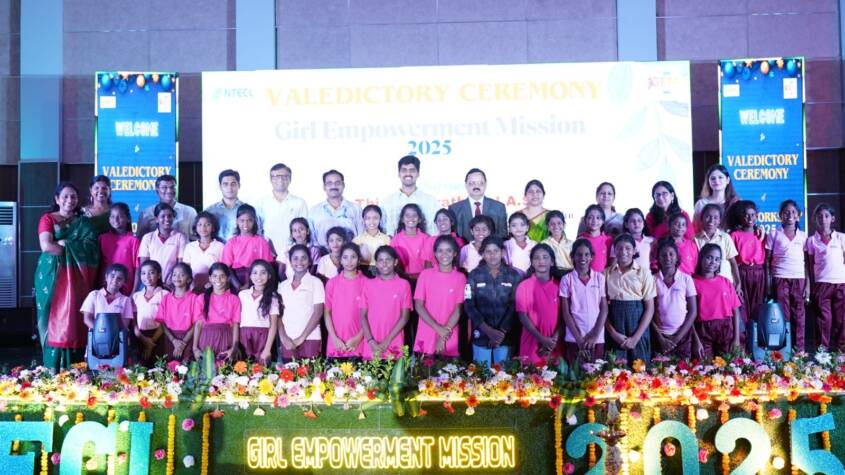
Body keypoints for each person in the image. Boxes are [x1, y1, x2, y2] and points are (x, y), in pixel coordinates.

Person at [35, 182, 100, 369]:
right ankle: (52, 367)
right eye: (65, 196)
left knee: (73, 317)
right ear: (57, 199)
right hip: (51, 274)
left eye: (73, 196)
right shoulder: (47, 219)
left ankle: (75, 367)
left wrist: (66, 244)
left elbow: (92, 248)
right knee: (49, 316)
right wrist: (67, 248)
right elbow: (46, 246)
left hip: (76, 277)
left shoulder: (83, 223)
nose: (69, 200)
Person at [465, 236, 522, 365]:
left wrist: (501, 332)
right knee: (481, 373)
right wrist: (488, 331)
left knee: (503, 374)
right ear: (482, 254)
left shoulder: (513, 275)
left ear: (502, 252)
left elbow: (514, 305)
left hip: (504, 336)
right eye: (488, 251)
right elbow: (469, 305)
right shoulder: (474, 275)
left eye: (496, 251)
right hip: (481, 334)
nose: (492, 255)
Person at [604, 234, 657, 365]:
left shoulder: (644, 273)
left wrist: (636, 337)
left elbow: (650, 309)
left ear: (634, 251)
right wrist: (613, 333)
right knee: (615, 370)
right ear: (614, 250)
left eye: (628, 248)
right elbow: (602, 308)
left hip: (638, 326)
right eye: (619, 248)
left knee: (640, 368)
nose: (623, 252)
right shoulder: (606, 273)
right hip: (615, 325)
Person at [765, 200, 809, 352]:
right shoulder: (774, 234)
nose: (790, 215)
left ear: (798, 215)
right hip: (780, 278)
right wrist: (769, 283)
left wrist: (808, 285)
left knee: (799, 316)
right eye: (786, 212)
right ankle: (784, 351)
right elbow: (767, 261)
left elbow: (807, 263)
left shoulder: (803, 236)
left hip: (799, 279)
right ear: (780, 215)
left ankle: (799, 352)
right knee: (783, 316)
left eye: (793, 212)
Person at [413, 235, 466, 357]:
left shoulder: (460, 278)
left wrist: (443, 336)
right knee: (424, 368)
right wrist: (438, 329)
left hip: (449, 333)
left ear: (455, 253)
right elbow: (419, 306)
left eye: (448, 250)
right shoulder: (425, 275)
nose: (444, 254)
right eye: (440, 251)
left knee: (449, 368)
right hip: (427, 332)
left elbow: (458, 309)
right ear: (435, 254)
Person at [560, 239, 608, 364]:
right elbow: (566, 312)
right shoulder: (566, 279)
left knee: (596, 372)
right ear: (572, 256)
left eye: (587, 254)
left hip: (596, 337)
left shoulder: (599, 278)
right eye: (579, 254)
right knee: (575, 372)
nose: (583, 258)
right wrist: (579, 339)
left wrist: (595, 335)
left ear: (592, 257)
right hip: (574, 337)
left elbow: (604, 309)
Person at [360, 246, 412, 360]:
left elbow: (405, 317)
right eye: (380, 260)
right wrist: (370, 341)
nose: (384, 263)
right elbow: (363, 316)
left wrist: (387, 341)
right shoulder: (368, 285)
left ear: (395, 262)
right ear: (376, 264)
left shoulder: (404, 285)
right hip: (371, 345)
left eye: (388, 259)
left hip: (394, 343)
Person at [806, 203, 845, 351]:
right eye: (820, 216)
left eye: (826, 216)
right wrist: (810, 287)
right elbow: (810, 266)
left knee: (841, 320)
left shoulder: (841, 238)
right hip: (821, 285)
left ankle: (841, 353)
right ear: (815, 219)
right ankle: (822, 354)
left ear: (832, 219)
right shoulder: (811, 241)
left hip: (840, 283)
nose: (823, 219)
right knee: (823, 320)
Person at [652, 239, 699, 359]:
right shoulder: (652, 279)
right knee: (660, 369)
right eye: (663, 255)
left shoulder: (686, 279)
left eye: (671, 254)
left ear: (677, 257)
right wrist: (660, 338)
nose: (667, 258)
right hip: (660, 336)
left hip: (683, 335)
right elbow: (649, 312)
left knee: (684, 369)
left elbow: (693, 311)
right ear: (658, 258)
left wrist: (677, 338)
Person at [693, 244, 742, 359]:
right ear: (701, 258)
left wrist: (736, 339)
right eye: (709, 257)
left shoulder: (726, 282)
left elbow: (735, 311)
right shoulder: (692, 282)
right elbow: (689, 315)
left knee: (728, 364)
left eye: (717, 259)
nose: (713, 262)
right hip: (703, 330)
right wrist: (696, 340)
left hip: (726, 328)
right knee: (705, 366)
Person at [277, 245, 325, 360]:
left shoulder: (316, 282)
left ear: (309, 261)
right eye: (295, 258)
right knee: (288, 371)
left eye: (304, 258)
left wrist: (301, 338)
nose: (299, 262)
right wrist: (283, 337)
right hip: (288, 339)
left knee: (311, 371)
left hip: (310, 337)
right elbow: (278, 314)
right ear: (290, 262)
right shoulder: (283, 286)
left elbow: (318, 312)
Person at [516, 244, 562, 364]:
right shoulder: (524, 286)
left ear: (552, 262)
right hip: (532, 343)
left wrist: (554, 339)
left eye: (545, 257)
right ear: (532, 262)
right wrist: (541, 339)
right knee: (531, 375)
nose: (541, 261)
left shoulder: (559, 286)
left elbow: (563, 316)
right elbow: (522, 316)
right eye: (536, 258)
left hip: (554, 344)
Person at [325, 243, 368, 358]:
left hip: (358, 343)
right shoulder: (332, 283)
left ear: (359, 260)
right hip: (336, 343)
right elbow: (327, 313)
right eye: (345, 257)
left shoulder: (367, 283)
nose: (349, 261)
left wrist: (358, 338)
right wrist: (334, 338)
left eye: (353, 257)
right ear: (340, 260)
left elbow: (371, 315)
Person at [192, 263, 241, 360]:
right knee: (207, 367)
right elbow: (198, 324)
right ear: (210, 278)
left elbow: (235, 324)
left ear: (227, 278)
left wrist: (234, 347)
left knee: (224, 367)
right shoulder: (201, 298)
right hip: (206, 337)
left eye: (222, 276)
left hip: (226, 337)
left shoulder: (234, 299)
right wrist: (195, 348)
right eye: (214, 276)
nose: (218, 279)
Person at [381, 155, 440, 235]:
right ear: (399, 174)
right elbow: (383, 230)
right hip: (394, 242)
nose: (408, 173)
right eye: (404, 170)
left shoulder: (431, 201)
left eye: (412, 170)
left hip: (424, 242)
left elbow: (434, 231)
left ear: (418, 174)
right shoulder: (387, 202)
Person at [256, 163, 308, 253]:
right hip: (267, 252)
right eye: (276, 176)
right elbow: (257, 230)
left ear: (290, 179)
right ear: (271, 179)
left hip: (293, 253)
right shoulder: (261, 203)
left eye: (284, 176)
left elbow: (305, 230)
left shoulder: (299, 203)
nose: (280, 180)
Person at [729, 200, 767, 321]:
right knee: (742, 304)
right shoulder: (734, 235)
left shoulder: (760, 233)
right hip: (742, 273)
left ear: (757, 215)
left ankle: (756, 330)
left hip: (758, 273)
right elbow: (732, 259)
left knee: (758, 305)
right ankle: (744, 332)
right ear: (740, 217)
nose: (750, 218)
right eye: (746, 215)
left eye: (753, 215)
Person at [220, 204, 274, 288]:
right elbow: (225, 267)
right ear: (237, 221)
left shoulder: (262, 242)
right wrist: (238, 286)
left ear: (254, 221)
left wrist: (249, 284)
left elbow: (266, 266)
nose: (245, 224)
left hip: (257, 279)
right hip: (236, 280)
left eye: (249, 220)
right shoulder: (231, 242)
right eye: (242, 220)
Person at [238, 260, 281, 364]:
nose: (259, 276)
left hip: (263, 336)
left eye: (263, 273)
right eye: (255, 273)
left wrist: (267, 349)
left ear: (269, 276)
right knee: (244, 366)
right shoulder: (242, 294)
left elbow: (273, 325)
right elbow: (237, 320)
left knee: (262, 367)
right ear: (250, 276)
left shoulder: (273, 297)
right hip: (244, 335)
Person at [449, 168, 507, 243]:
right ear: (466, 185)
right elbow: (452, 238)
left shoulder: (499, 207)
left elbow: (503, 236)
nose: (476, 186)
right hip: (463, 249)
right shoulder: (454, 209)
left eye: (480, 183)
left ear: (486, 184)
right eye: (472, 183)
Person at [694, 204, 742, 294]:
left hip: (725, 283)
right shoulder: (695, 239)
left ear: (720, 220)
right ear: (701, 218)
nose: (711, 220)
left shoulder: (725, 237)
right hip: (704, 284)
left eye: (715, 217)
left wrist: (738, 282)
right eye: (707, 216)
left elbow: (733, 262)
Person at [309, 169, 363, 247]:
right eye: (329, 183)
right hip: (323, 254)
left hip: (351, 253)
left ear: (343, 185)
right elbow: (312, 241)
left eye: (337, 183)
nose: (333, 186)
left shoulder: (356, 209)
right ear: (324, 187)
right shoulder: (314, 211)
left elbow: (361, 237)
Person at [138, 203, 188, 286]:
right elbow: (144, 265)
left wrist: (172, 283)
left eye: (169, 216)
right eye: (163, 216)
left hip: (173, 284)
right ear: (156, 219)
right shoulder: (148, 238)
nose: (167, 219)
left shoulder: (180, 237)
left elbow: (180, 265)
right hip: (152, 284)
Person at [204, 169, 261, 242]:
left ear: (239, 185)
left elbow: (257, 234)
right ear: (220, 187)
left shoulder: (248, 211)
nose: (229, 188)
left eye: (233, 184)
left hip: (242, 248)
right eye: (225, 184)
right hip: (217, 249)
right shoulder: (210, 211)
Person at [155, 262, 196, 362]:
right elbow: (161, 322)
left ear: (189, 279)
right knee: (169, 367)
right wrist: (174, 341)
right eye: (174, 274)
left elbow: (197, 323)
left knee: (187, 367)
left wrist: (183, 343)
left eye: (181, 275)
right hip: (169, 338)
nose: (177, 277)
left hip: (188, 338)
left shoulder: (194, 298)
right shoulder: (166, 298)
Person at [98, 203, 140, 295]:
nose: (116, 220)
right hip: (104, 289)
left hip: (126, 291)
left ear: (128, 219)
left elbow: (138, 269)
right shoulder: (102, 238)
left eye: (120, 216)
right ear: (109, 219)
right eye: (112, 216)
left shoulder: (133, 241)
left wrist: (134, 292)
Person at [132, 260, 168, 365]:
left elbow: (165, 321)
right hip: (140, 336)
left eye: (151, 273)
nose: (147, 276)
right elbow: (133, 318)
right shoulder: (136, 296)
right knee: (140, 367)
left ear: (159, 275)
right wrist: (139, 335)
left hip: (159, 335)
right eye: (143, 273)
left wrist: (151, 343)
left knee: (158, 366)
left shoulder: (164, 294)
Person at [80, 263, 134, 333]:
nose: (115, 280)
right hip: (96, 336)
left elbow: (125, 325)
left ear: (124, 282)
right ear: (106, 277)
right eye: (112, 276)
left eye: (119, 278)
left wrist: (112, 334)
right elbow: (87, 319)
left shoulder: (126, 300)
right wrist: (101, 332)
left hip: (116, 336)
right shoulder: (94, 295)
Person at [182, 212, 224, 292]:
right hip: (193, 288)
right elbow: (185, 270)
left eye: (207, 224)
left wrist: (211, 284)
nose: (203, 228)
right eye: (200, 224)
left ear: (213, 227)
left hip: (214, 288)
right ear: (195, 227)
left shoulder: (220, 246)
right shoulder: (189, 247)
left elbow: (222, 270)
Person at [694, 164, 739, 232]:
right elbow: (696, 228)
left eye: (720, 177)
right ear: (708, 181)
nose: (716, 181)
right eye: (713, 178)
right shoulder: (701, 204)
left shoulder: (736, 202)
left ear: (727, 180)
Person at [390, 204, 430, 280]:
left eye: (414, 215)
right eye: (407, 215)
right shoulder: (396, 239)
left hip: (421, 279)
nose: (411, 218)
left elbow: (428, 263)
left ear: (419, 219)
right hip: (402, 279)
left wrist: (422, 277)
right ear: (402, 219)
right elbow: (392, 261)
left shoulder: (426, 238)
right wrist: (404, 276)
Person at [353, 205, 391, 271]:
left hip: (383, 270)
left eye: (375, 218)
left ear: (380, 219)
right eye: (368, 218)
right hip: (362, 270)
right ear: (363, 220)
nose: (372, 221)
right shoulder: (357, 240)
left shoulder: (387, 239)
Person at [578, 205, 613, 273]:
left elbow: (611, 263)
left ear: (603, 221)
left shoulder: (608, 240)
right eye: (590, 217)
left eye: (598, 218)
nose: (594, 220)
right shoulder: (580, 239)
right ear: (585, 220)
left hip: (603, 277)